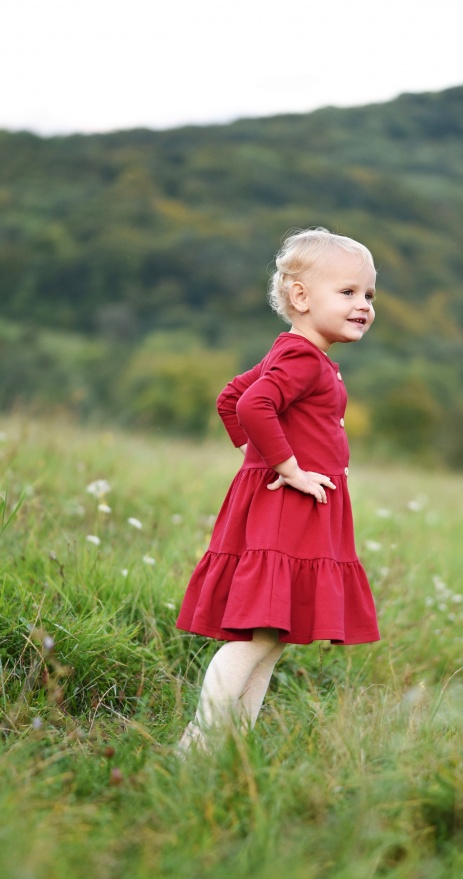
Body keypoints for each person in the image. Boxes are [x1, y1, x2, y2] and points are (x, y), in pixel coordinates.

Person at [176, 227, 380, 754]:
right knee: (255, 637)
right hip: (287, 505)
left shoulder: (295, 354)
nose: (363, 305)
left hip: (291, 505)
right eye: (348, 292)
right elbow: (249, 407)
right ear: (300, 297)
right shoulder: (303, 359)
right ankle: (197, 745)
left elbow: (230, 396)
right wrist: (286, 467)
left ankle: (231, 747)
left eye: (368, 295)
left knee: (271, 637)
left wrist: (264, 457)